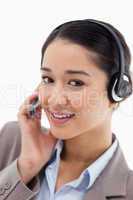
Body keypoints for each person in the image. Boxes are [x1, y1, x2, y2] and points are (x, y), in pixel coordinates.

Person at [0, 18, 133, 200]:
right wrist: (25, 166)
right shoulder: (12, 140)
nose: (55, 100)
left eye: (76, 83)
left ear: (118, 91)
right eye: (48, 79)